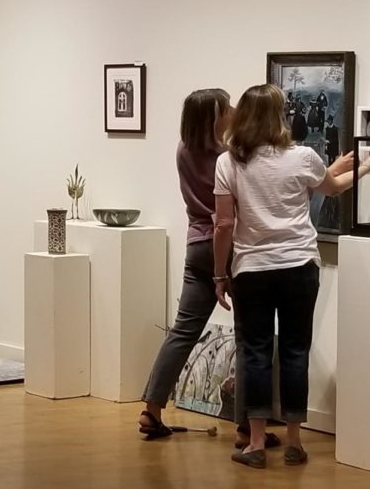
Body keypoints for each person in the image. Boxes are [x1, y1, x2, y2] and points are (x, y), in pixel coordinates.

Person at [213, 83, 368, 469]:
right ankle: (295, 441)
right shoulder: (304, 156)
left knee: (257, 353)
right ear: (280, 116)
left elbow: (224, 225)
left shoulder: (229, 163)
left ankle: (255, 445)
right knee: (296, 352)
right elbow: (332, 189)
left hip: (252, 269)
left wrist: (219, 274)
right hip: (300, 266)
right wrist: (364, 167)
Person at [139, 89, 245, 440]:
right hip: (230, 247)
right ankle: (247, 426)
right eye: (226, 107)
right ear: (214, 118)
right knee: (250, 337)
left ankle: (152, 410)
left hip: (197, 245)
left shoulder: (183, 150)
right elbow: (229, 215)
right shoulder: (230, 157)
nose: (232, 111)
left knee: (183, 331)